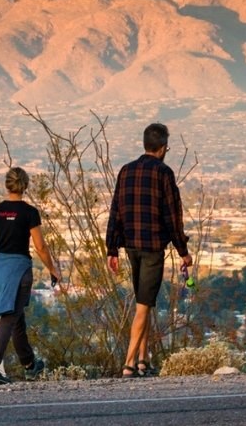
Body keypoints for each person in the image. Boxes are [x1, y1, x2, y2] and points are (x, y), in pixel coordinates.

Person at [105, 122, 190, 378]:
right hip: (153, 247)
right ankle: (129, 363)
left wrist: (112, 248)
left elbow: (115, 212)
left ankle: (143, 359)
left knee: (145, 301)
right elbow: (172, 217)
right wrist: (182, 249)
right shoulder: (164, 173)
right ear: (163, 148)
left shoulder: (125, 171)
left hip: (131, 246)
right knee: (143, 305)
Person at [0, 166, 61, 384]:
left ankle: (30, 365)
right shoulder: (30, 213)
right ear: (25, 186)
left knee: (16, 317)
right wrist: (53, 269)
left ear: (7, 185)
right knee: (9, 317)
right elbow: (40, 246)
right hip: (20, 269)